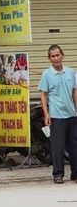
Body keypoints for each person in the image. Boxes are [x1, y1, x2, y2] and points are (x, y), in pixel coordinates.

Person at [38, 44, 77, 184]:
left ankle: (75, 174)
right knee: (58, 146)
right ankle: (58, 174)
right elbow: (43, 94)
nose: (55, 58)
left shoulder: (71, 72)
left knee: (74, 146)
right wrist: (46, 114)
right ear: (49, 58)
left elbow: (74, 92)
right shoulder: (46, 74)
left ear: (62, 55)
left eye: (57, 55)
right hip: (56, 116)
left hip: (72, 115)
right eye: (52, 56)